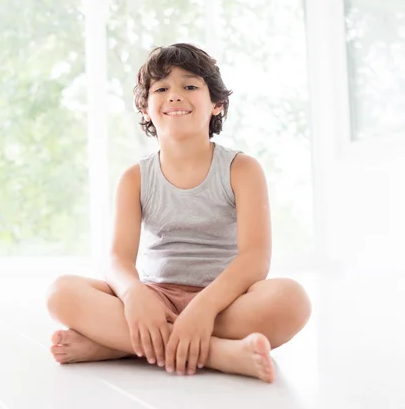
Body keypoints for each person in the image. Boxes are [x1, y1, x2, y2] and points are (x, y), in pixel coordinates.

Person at [46, 43, 311, 383]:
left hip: (224, 303)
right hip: (156, 299)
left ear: (216, 104)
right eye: (161, 88)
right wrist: (134, 295)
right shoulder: (134, 178)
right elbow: (117, 259)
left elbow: (255, 259)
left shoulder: (242, 169)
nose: (174, 96)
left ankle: (116, 346)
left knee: (292, 300)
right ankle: (219, 353)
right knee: (60, 293)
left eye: (189, 86)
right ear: (145, 109)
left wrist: (204, 308)